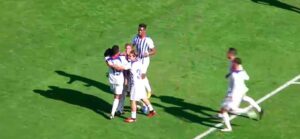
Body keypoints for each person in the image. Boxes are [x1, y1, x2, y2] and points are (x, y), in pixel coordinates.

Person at [220, 58, 263, 132]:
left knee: (228, 109)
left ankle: (247, 111)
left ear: (237, 64)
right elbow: (247, 78)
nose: (232, 64)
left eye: (234, 63)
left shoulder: (235, 74)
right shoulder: (240, 72)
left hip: (234, 94)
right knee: (227, 109)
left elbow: (234, 84)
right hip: (238, 92)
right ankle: (256, 110)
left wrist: (230, 95)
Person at [115, 50, 156, 123]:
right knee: (143, 98)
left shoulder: (132, 64)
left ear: (135, 56)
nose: (129, 57)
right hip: (140, 84)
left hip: (135, 85)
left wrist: (113, 66)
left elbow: (122, 68)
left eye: (131, 56)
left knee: (132, 101)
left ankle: (133, 118)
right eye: (129, 56)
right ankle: (152, 111)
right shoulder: (139, 62)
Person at [132, 23, 156, 98]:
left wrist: (148, 53)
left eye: (141, 30)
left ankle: (148, 91)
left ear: (144, 31)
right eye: (139, 30)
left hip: (145, 60)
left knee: (142, 75)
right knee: (138, 75)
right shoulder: (136, 37)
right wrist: (134, 52)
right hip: (138, 59)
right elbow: (132, 46)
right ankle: (144, 90)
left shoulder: (148, 40)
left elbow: (154, 51)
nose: (139, 32)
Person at [105, 45, 128, 119]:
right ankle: (113, 113)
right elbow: (126, 66)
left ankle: (119, 109)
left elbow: (107, 61)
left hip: (111, 81)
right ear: (118, 51)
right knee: (117, 97)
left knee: (116, 95)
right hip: (119, 81)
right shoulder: (121, 59)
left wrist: (113, 66)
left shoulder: (108, 58)